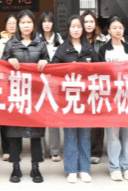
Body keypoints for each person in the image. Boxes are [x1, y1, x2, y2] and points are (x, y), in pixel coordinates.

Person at [1, 9, 49, 184]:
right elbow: (1, 66)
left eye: (29, 22)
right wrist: (8, 62)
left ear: (33, 24)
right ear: (18, 25)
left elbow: (51, 67)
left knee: (36, 133)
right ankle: (16, 167)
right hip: (16, 94)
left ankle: (35, 167)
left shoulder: (41, 44)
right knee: (14, 133)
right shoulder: (11, 44)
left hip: (35, 95)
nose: (26, 25)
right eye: (23, 22)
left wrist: (45, 62)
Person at [52, 15, 98, 183]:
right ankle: (71, 169)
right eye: (73, 26)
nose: (76, 29)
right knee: (70, 134)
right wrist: (67, 69)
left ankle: (84, 169)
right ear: (68, 29)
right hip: (69, 98)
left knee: (85, 134)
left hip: (86, 98)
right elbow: (52, 68)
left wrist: (91, 68)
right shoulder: (63, 49)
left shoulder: (89, 49)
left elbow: (101, 69)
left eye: (79, 26)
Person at [98, 16, 128, 182]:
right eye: (114, 28)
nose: (118, 30)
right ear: (108, 30)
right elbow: (99, 73)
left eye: (120, 27)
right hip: (111, 97)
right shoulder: (103, 50)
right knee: (113, 135)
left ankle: (127, 167)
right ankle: (114, 167)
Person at [81, 10, 109, 165]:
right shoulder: (76, 39)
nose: (89, 24)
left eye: (91, 21)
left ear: (95, 23)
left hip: (98, 83)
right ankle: (83, 148)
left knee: (98, 117)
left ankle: (96, 150)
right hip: (81, 83)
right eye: (86, 22)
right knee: (82, 117)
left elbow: (106, 61)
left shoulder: (103, 40)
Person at [38, 11, 64, 163]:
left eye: (49, 21)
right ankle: (41, 150)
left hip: (54, 83)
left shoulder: (59, 39)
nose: (47, 24)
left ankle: (54, 151)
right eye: (44, 21)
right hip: (38, 82)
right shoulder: (36, 39)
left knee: (53, 117)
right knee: (39, 117)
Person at [0, 13, 18, 161]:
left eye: (14, 23)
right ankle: (6, 149)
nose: (12, 26)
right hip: (3, 83)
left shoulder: (22, 41)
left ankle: (16, 147)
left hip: (18, 84)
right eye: (9, 23)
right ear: (5, 26)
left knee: (16, 117)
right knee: (4, 118)